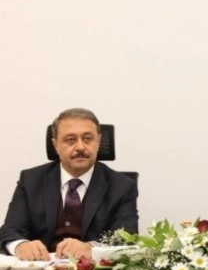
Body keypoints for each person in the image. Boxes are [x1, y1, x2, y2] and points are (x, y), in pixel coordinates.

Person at [0, 108, 139, 260]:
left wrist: (92, 248)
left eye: (87, 139)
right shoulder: (31, 180)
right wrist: (20, 245)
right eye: (70, 140)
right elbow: (10, 230)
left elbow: (127, 239)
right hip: (40, 267)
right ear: (55, 145)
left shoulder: (122, 187)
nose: (80, 147)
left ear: (99, 141)